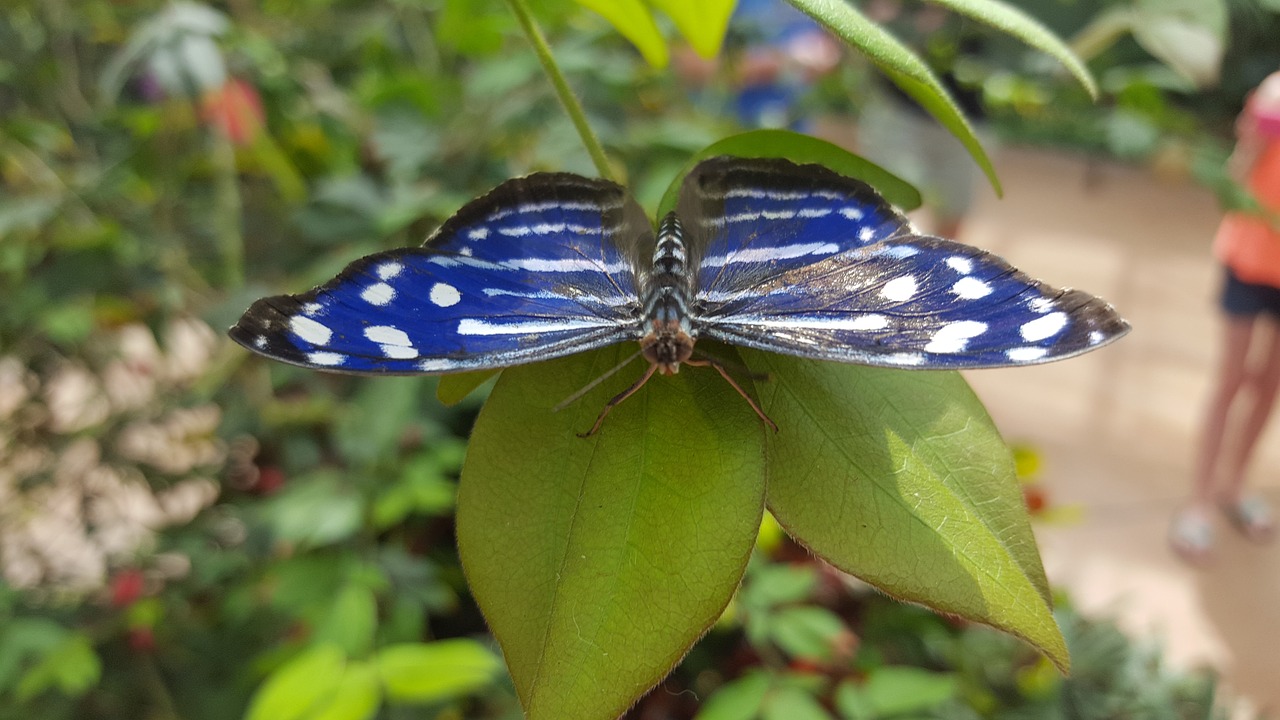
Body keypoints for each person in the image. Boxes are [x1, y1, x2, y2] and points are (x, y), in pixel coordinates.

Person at [1172, 70, 1280, 562]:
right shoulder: (1272, 95)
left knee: (1271, 382)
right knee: (1232, 378)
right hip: (1249, 256)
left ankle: (1234, 486)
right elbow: (1233, 179)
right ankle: (1199, 502)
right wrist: (1252, 141)